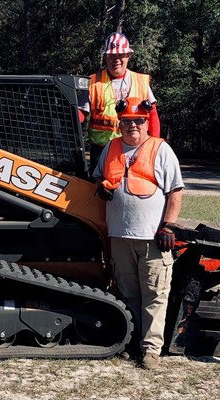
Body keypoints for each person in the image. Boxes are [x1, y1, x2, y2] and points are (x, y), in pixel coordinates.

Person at [92, 97, 184, 370]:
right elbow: (99, 176)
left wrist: (168, 225)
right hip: (120, 236)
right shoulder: (111, 147)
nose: (133, 126)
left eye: (139, 121)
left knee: (154, 294)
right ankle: (131, 343)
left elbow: (175, 190)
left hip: (151, 238)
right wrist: (101, 186)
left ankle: (151, 351)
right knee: (128, 292)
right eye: (127, 121)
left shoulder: (161, 149)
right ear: (120, 123)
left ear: (146, 123)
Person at [78, 32, 161, 178]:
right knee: (100, 193)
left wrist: (154, 146)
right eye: (111, 56)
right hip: (102, 151)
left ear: (128, 56)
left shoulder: (140, 81)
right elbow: (79, 115)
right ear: (105, 57)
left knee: (133, 189)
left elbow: (152, 114)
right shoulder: (92, 82)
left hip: (135, 148)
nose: (116, 60)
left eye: (121, 55)